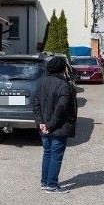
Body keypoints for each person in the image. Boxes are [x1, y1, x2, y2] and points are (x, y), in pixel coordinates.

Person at [32, 55, 77, 194]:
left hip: (45, 126)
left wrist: (41, 123)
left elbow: (36, 105)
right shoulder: (63, 84)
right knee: (55, 156)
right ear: (62, 68)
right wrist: (49, 125)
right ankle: (51, 184)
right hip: (58, 127)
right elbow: (61, 108)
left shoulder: (41, 82)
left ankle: (45, 182)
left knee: (47, 154)